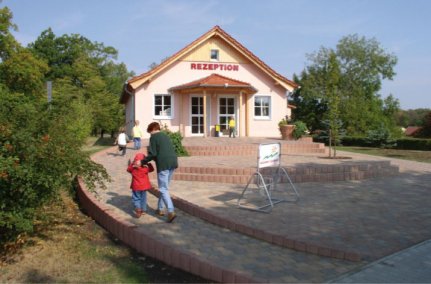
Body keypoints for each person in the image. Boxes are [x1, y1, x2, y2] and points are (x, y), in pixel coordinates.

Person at [142, 122, 178, 223]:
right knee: (165, 188)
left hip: (163, 165)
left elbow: (152, 153)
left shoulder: (154, 137)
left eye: (150, 132)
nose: (150, 134)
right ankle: (160, 209)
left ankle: (171, 211)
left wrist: (142, 161)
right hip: (173, 162)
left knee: (163, 189)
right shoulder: (165, 136)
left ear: (152, 129)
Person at [127, 153, 154, 218]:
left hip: (136, 186)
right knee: (143, 198)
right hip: (144, 187)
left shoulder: (133, 167)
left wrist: (132, 163)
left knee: (136, 198)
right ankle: (144, 210)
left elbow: (128, 169)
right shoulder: (146, 168)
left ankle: (138, 208)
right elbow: (152, 169)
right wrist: (148, 164)